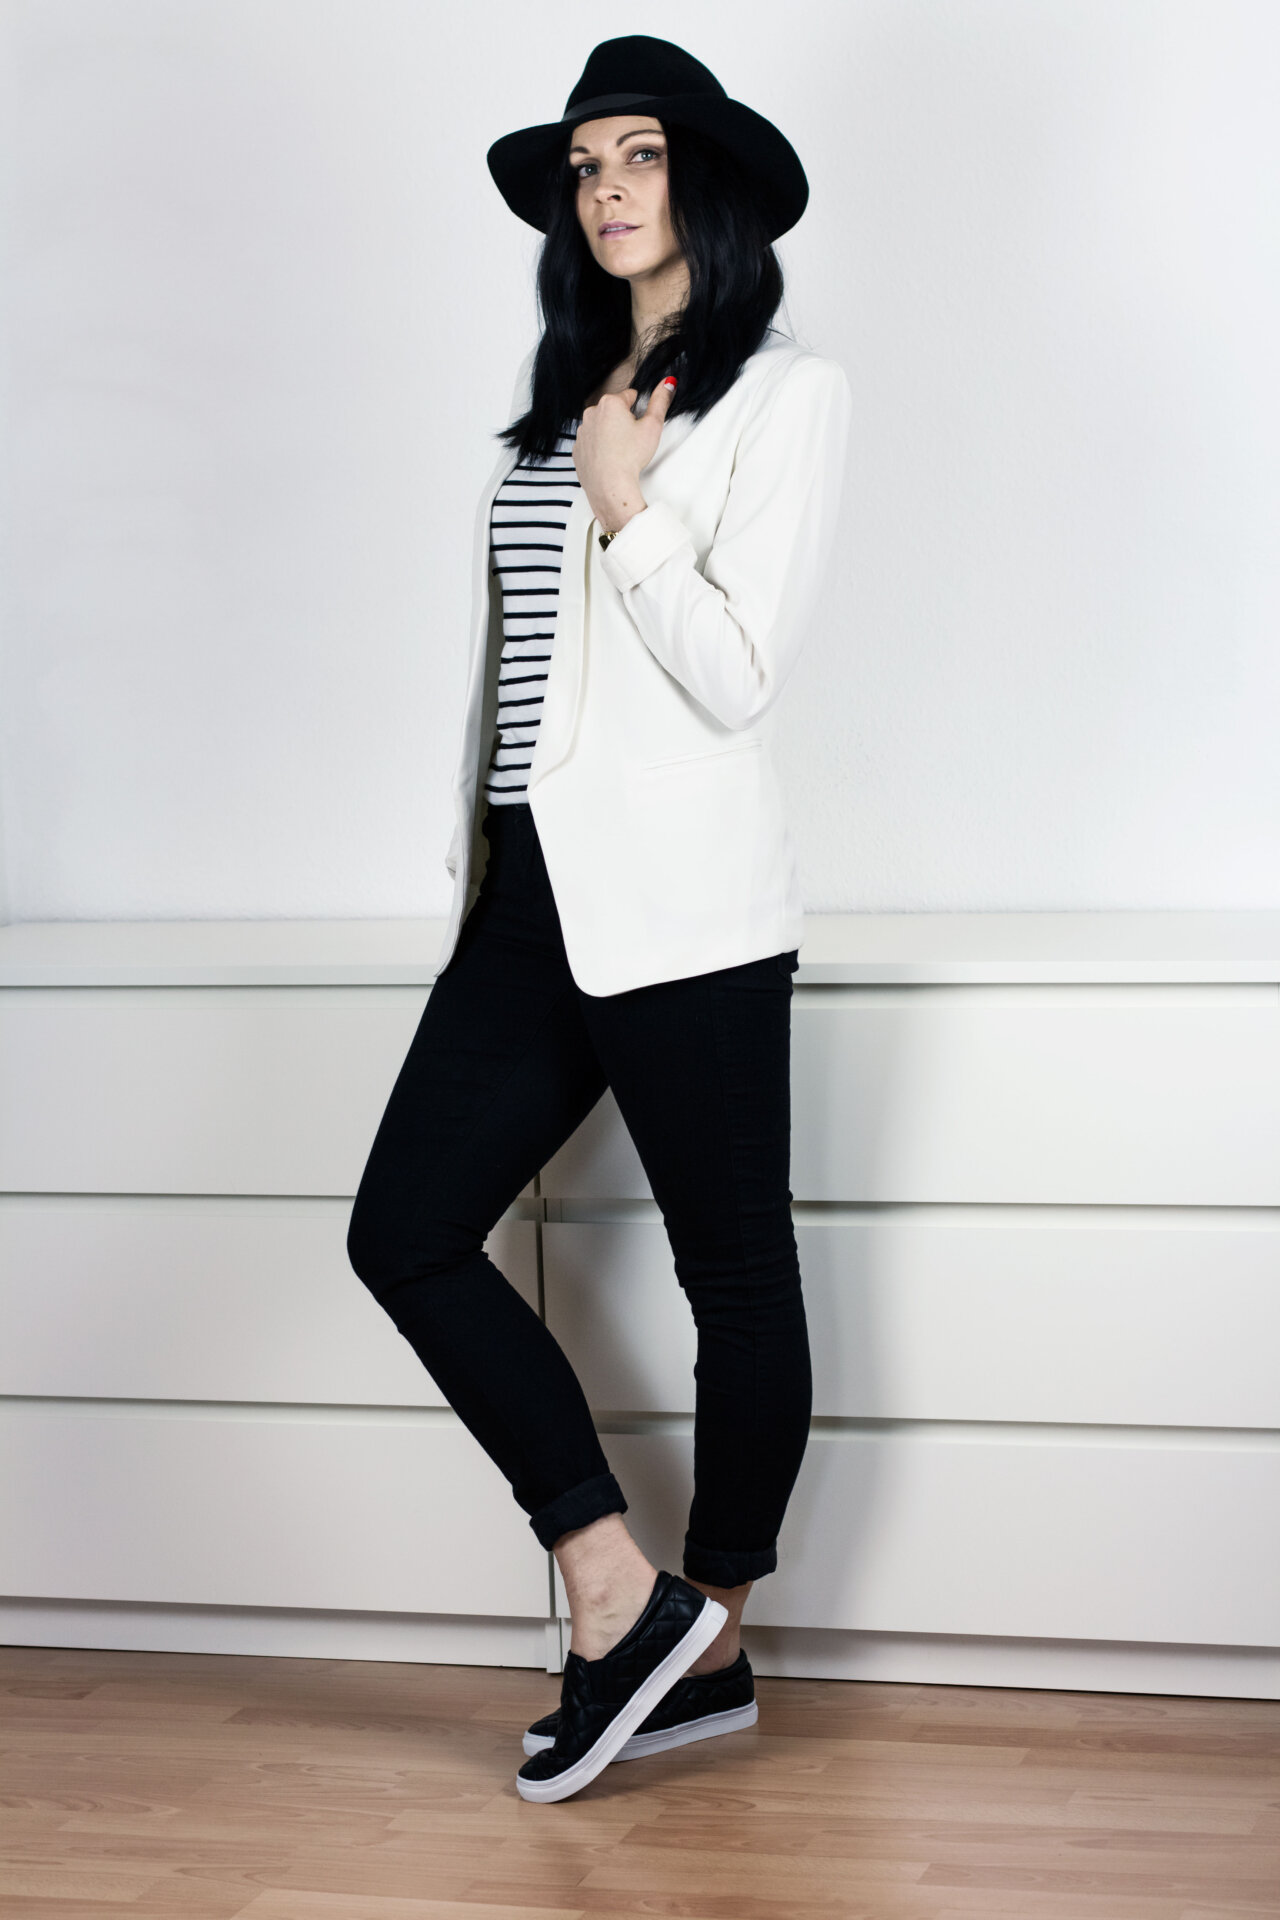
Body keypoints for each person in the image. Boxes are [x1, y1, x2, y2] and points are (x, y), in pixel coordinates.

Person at [346, 33, 853, 1804]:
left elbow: (737, 671)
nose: (608, 188)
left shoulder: (785, 395)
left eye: (640, 154)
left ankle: (708, 1642)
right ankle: (609, 1580)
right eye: (586, 166)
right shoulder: (573, 387)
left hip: (688, 905)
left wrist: (628, 506)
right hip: (531, 896)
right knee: (406, 1234)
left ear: (704, 180)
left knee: (736, 1273)